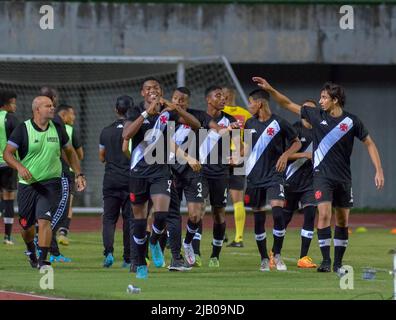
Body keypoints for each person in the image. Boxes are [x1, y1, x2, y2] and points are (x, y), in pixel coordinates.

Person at [253, 77, 384, 272]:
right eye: (320, 97)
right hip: (322, 177)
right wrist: (270, 89)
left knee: (342, 220)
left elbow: (369, 143)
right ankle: (326, 261)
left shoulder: (351, 121)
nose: (320, 101)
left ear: (335, 100)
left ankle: (338, 263)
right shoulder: (315, 115)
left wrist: (379, 169)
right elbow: (287, 103)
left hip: (344, 178)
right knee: (323, 215)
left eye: (324, 97)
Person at [122, 77, 200, 279]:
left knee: (162, 214)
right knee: (138, 221)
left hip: (161, 172)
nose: (152, 91)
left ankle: (155, 240)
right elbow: (127, 135)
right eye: (148, 88)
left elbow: (196, 124)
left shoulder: (169, 112)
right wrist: (146, 113)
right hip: (139, 172)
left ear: (161, 90)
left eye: (155, 87)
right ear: (142, 93)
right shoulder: (135, 110)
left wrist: (177, 108)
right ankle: (138, 261)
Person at [3, 96, 86, 269]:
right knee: (26, 226)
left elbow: (70, 152)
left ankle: (43, 260)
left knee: (44, 221)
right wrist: (19, 167)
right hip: (28, 185)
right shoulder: (22, 129)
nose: (52, 108)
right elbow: (7, 153)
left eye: (53, 105)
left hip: (51, 185)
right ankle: (31, 251)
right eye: (48, 106)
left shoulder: (57, 128)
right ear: (37, 110)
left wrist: (78, 173)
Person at [242, 89, 301, 271]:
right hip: (254, 176)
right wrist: (235, 157)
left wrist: (285, 155)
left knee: (277, 213)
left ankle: (276, 254)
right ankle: (263, 259)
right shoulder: (249, 123)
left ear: (259, 103)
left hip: (275, 175)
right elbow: (246, 148)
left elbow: (297, 142)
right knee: (259, 220)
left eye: (250, 102)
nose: (249, 106)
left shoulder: (279, 122)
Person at [168, 87, 213, 266]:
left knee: (195, 215)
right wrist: (187, 157)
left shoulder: (197, 116)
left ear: (188, 102)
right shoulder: (166, 118)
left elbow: (206, 125)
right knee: (163, 214)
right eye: (175, 98)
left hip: (193, 172)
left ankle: (187, 244)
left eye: (182, 100)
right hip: (170, 170)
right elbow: (168, 144)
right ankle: (158, 246)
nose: (178, 102)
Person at [196, 85, 240, 268]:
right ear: (208, 99)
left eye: (224, 96)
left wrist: (236, 158)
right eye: (218, 96)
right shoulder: (197, 118)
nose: (223, 99)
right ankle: (195, 253)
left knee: (218, 213)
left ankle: (215, 255)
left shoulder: (230, 120)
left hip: (220, 172)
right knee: (196, 210)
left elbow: (239, 148)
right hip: (199, 171)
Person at [282, 99, 318, 268]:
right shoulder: (294, 129)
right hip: (291, 180)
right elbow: (284, 156)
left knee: (310, 214)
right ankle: (275, 253)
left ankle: (303, 257)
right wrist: (304, 155)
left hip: (310, 183)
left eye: (313, 109)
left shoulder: (321, 131)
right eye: (307, 109)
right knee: (285, 217)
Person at [99, 96, 133, 268]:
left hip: (111, 179)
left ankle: (109, 253)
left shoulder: (106, 131)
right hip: (130, 180)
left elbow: (101, 157)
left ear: (116, 110)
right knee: (129, 220)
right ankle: (127, 258)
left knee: (109, 219)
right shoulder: (135, 129)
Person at [222, 86, 252, 247]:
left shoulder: (219, 111)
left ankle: (220, 232)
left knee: (215, 197)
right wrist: (240, 155)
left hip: (220, 156)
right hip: (239, 156)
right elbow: (247, 139)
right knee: (237, 199)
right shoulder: (245, 113)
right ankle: (239, 238)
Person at [56, 104, 84, 246]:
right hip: (68, 172)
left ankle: (41, 234)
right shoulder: (70, 130)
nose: (74, 117)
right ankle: (63, 232)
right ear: (64, 115)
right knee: (68, 203)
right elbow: (80, 155)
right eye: (72, 114)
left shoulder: (47, 127)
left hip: (50, 172)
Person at [0, 90, 19, 245]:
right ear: (6, 104)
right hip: (8, 164)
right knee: (8, 198)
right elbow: (19, 143)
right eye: (13, 102)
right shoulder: (12, 120)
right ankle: (7, 237)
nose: (15, 105)